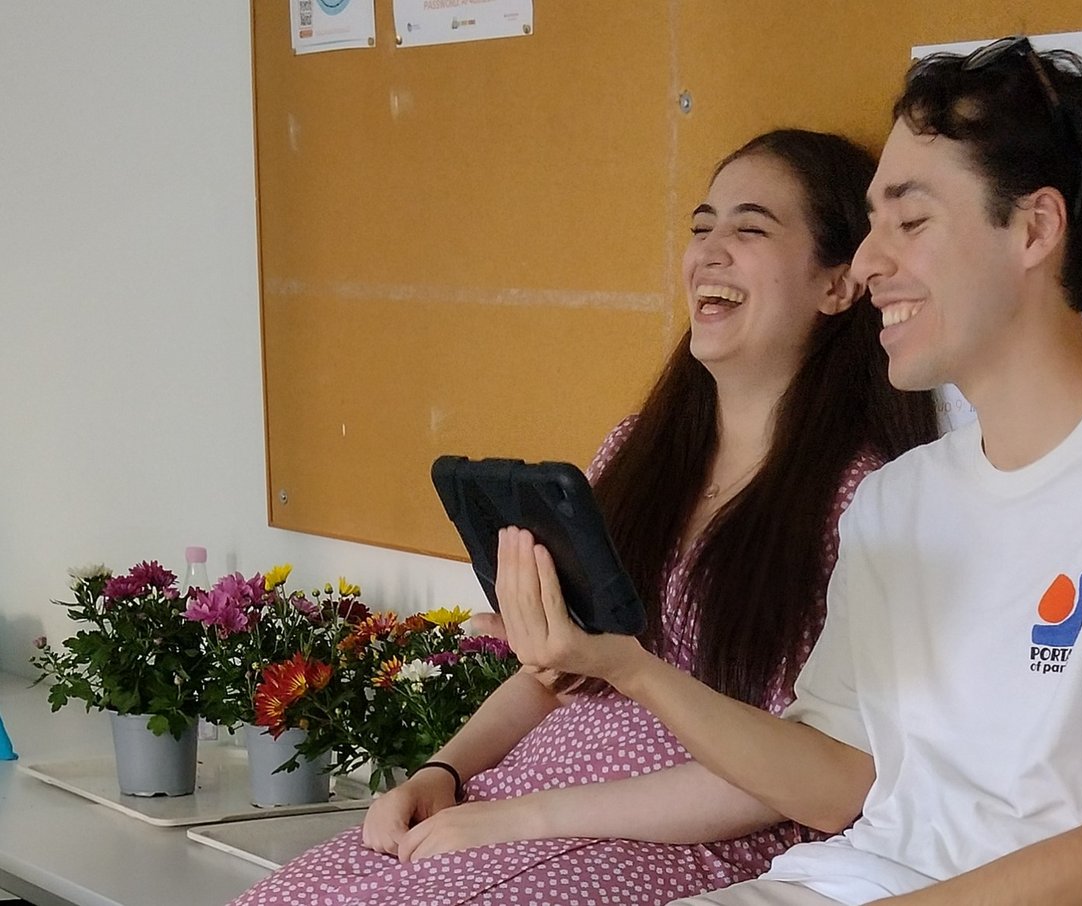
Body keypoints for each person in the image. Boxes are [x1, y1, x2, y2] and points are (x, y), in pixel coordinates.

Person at [496, 37, 1082, 906]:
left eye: (910, 222)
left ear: (1034, 229)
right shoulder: (898, 498)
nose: (871, 263)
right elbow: (844, 780)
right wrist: (630, 667)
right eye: (874, 224)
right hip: (838, 879)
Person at [229, 128, 939, 906]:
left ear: (837, 285)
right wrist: (445, 771)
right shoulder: (638, 449)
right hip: (522, 798)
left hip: (675, 835)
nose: (708, 251)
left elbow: (796, 778)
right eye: (701, 227)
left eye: (749, 228)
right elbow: (552, 671)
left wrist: (521, 819)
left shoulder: (862, 498)